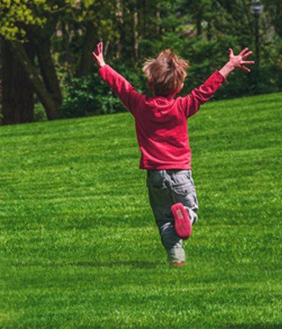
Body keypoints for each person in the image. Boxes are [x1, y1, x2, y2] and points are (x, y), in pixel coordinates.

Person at [92, 42, 254, 268]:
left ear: (150, 83)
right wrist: (229, 65)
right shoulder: (182, 106)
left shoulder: (140, 105)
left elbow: (122, 87)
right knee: (190, 210)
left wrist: (103, 65)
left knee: (164, 220)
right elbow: (205, 90)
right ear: (179, 86)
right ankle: (185, 218)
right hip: (180, 173)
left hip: (155, 176)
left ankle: (176, 256)